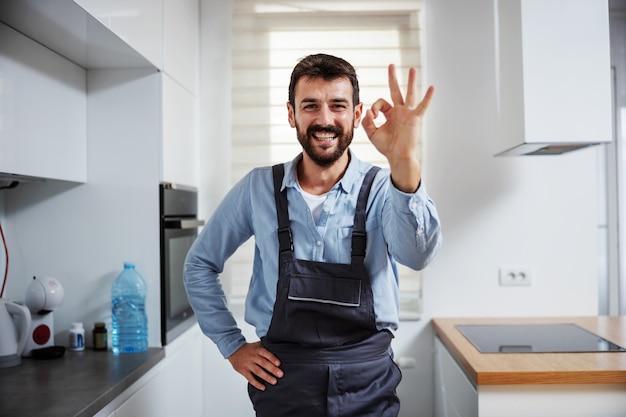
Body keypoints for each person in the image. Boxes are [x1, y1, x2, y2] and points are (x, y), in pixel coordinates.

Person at [184, 53, 442, 417]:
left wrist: (404, 162)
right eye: (310, 106)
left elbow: (418, 256)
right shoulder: (258, 188)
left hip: (368, 381)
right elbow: (199, 264)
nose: (324, 119)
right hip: (282, 382)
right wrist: (232, 345)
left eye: (338, 105)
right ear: (291, 114)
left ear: (356, 114)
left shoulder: (388, 187)